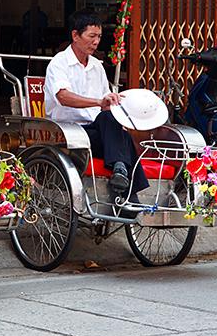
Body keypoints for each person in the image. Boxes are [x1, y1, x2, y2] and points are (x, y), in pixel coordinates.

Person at [43, 11, 147, 200]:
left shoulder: (97, 66)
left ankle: (120, 171)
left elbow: (104, 104)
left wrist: (113, 103)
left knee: (114, 122)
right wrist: (99, 102)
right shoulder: (59, 63)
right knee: (121, 139)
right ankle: (130, 196)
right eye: (91, 36)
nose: (96, 42)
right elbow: (64, 97)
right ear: (75, 36)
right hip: (68, 132)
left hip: (95, 131)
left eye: (99, 37)